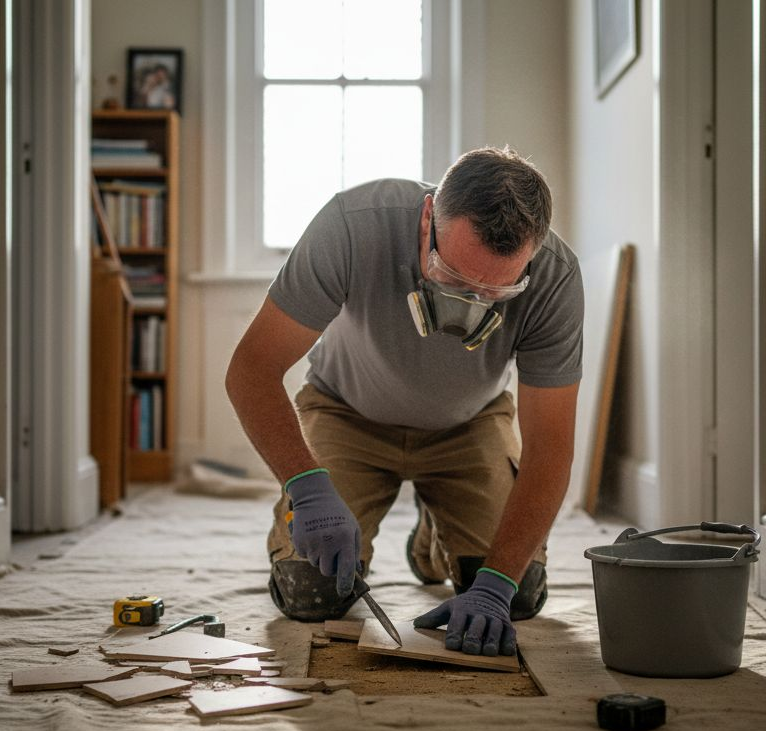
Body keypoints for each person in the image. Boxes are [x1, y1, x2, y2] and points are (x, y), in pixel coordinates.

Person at [225, 147, 583, 657]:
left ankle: (434, 535)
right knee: (311, 593)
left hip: (469, 424)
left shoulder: (554, 277)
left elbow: (550, 448)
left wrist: (495, 585)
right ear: (426, 219)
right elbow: (251, 370)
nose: (473, 303)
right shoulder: (352, 226)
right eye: (454, 277)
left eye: (496, 293)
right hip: (347, 411)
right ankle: (415, 510)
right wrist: (306, 487)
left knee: (518, 597)